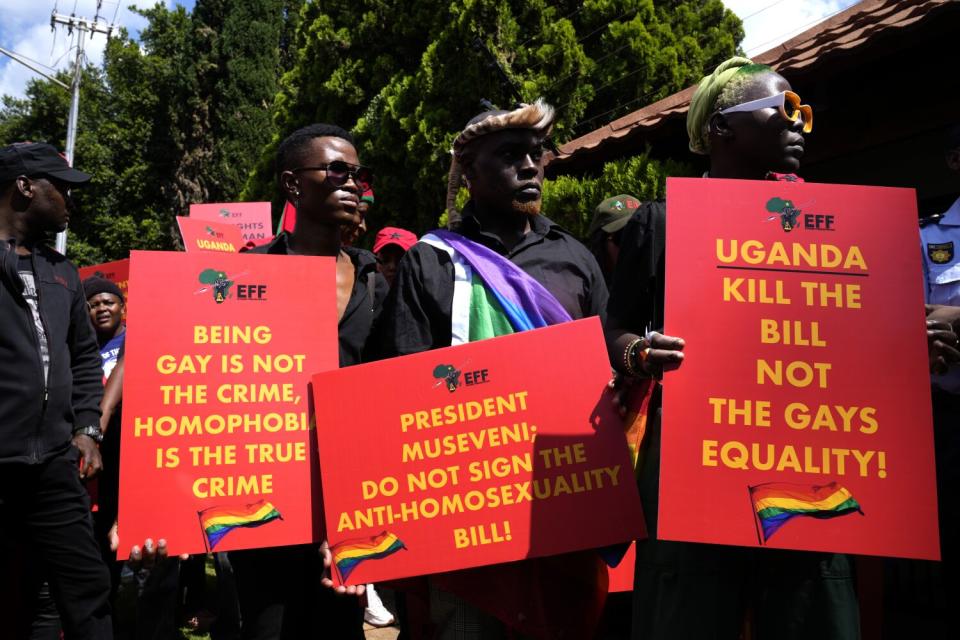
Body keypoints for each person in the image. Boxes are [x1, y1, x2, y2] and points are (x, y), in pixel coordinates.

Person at [605, 57, 864, 640]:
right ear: (722, 128)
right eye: (786, 109)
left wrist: (902, 342)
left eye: (804, 112)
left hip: (805, 447)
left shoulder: (826, 226)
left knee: (811, 604)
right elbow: (614, 326)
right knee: (689, 607)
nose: (800, 125)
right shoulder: (662, 224)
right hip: (695, 457)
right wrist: (640, 353)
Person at [377, 99, 609, 639]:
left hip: (563, 507)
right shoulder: (430, 262)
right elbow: (404, 392)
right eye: (509, 155)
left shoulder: (574, 257)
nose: (530, 166)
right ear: (469, 173)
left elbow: (603, 370)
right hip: (465, 516)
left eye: (536, 153)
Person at [233, 122, 388, 640]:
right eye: (336, 170)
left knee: (339, 629)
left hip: (350, 495)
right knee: (268, 627)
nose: (353, 183)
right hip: (267, 496)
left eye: (359, 174)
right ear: (293, 184)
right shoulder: (247, 277)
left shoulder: (376, 281)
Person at [0, 142, 112, 639]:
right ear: (24, 187)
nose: (70, 199)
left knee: (86, 584)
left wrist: (87, 428)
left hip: (53, 466)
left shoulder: (63, 272)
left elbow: (85, 358)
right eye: (61, 187)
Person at [586, 194, 640, 286]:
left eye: (640, 234)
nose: (635, 245)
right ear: (601, 243)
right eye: (623, 236)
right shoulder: (588, 291)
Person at [83, 276, 125, 380]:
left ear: (123, 308)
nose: (102, 309)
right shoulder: (82, 350)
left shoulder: (138, 341)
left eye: (109, 303)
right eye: (94, 305)